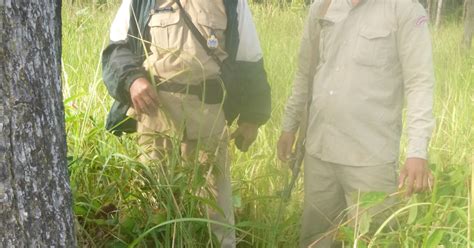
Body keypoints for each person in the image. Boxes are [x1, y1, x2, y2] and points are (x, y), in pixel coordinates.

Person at [101, 0, 271, 247]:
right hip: (154, 119)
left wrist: (252, 118)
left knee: (217, 218)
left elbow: (250, 58)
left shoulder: (233, 3)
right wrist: (132, 80)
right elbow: (117, 49)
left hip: (207, 119)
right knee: (153, 209)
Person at [277, 0, 435, 247]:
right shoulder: (321, 8)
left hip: (370, 158)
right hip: (320, 152)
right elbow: (304, 73)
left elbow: (420, 83)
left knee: (375, 240)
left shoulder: (404, 9)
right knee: (316, 239)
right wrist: (290, 125)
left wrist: (417, 151)